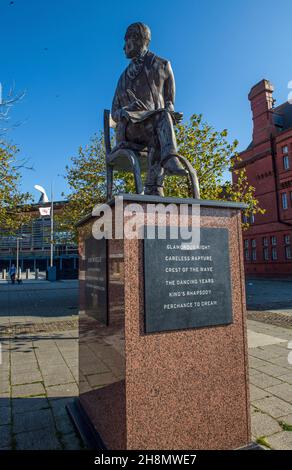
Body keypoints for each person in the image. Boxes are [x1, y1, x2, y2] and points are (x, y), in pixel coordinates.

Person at [111, 22, 187, 196]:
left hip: (154, 127)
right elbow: (115, 111)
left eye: (126, 41)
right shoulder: (122, 78)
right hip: (130, 129)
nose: (124, 47)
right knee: (161, 124)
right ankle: (170, 158)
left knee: (160, 125)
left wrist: (170, 113)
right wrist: (124, 112)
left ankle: (154, 189)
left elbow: (169, 101)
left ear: (137, 39)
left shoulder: (162, 65)